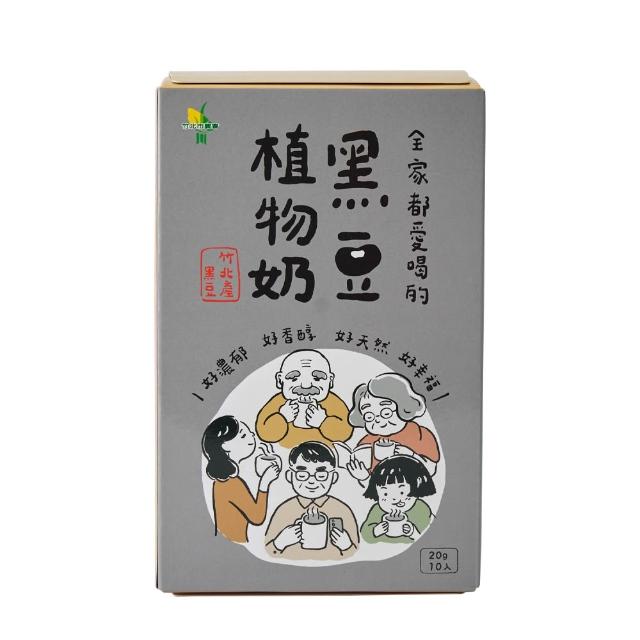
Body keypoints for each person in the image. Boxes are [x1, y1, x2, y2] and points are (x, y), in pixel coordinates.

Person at [264, 441, 359, 560]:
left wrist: (346, 545)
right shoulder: (284, 510)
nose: (311, 481)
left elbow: (355, 550)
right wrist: (280, 542)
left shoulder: (342, 510)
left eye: (321, 475)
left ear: (334, 477)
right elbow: (268, 549)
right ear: (290, 476)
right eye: (302, 475)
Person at [346, 372, 440, 482]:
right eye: (369, 416)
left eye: (386, 413)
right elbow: (369, 486)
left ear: (403, 407)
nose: (378, 419)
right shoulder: (366, 444)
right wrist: (363, 477)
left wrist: (411, 455)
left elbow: (431, 470)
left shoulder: (420, 434)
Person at [202, 415, 280, 544]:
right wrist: (264, 483)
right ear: (225, 446)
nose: (252, 435)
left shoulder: (225, 479)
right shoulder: (230, 484)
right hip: (235, 542)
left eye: (249, 432)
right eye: (243, 435)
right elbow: (257, 517)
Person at [256, 349, 352, 448]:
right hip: (285, 452)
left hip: (325, 454)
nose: (306, 386)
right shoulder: (279, 402)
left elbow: (345, 433)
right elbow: (264, 433)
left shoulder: (332, 402)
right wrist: (283, 417)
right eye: (294, 379)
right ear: (280, 380)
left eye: (317, 378)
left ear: (330, 380)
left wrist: (323, 421)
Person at [360, 456, 436, 544]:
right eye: (385, 494)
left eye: (401, 492)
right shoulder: (377, 510)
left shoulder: (421, 508)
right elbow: (365, 534)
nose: (394, 498)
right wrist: (375, 531)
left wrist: (412, 532)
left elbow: (429, 534)